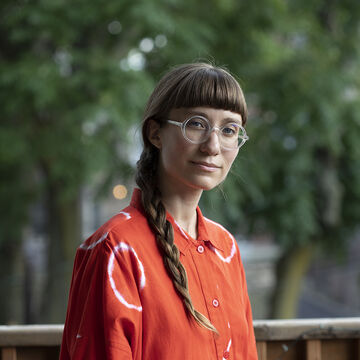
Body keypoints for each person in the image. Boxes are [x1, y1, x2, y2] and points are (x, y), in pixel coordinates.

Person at [60, 62, 258, 360]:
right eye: (196, 124)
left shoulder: (226, 248)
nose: (213, 146)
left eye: (229, 129)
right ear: (156, 133)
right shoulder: (116, 248)